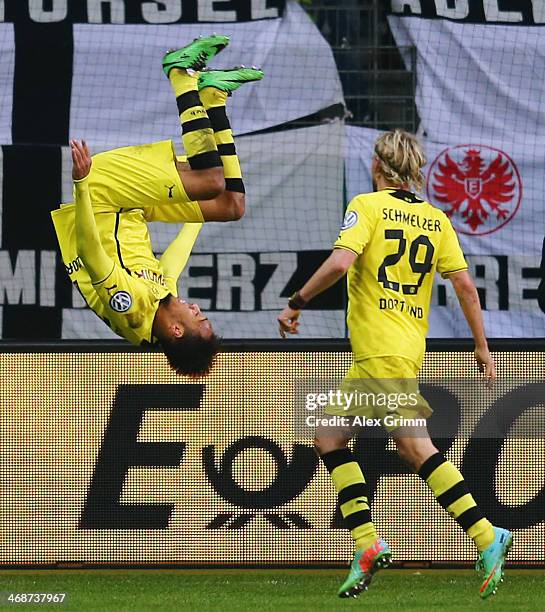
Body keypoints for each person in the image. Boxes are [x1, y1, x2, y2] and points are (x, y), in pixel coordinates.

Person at [277, 129, 512, 599]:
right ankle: (367, 542)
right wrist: (482, 346)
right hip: (401, 349)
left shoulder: (367, 207)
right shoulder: (436, 220)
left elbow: (342, 264)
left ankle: (487, 535)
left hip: (379, 351)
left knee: (414, 449)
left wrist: (298, 299)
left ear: (378, 168)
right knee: (330, 433)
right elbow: (466, 287)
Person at [51, 35, 263, 376]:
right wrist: (199, 213)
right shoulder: (161, 309)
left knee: (210, 181)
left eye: (198, 317)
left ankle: (180, 72)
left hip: (102, 195)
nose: (196, 308)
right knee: (230, 205)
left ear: (177, 331)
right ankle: (214, 97)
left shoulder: (130, 308)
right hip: (131, 207)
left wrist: (82, 184)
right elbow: (174, 262)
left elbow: (90, 253)